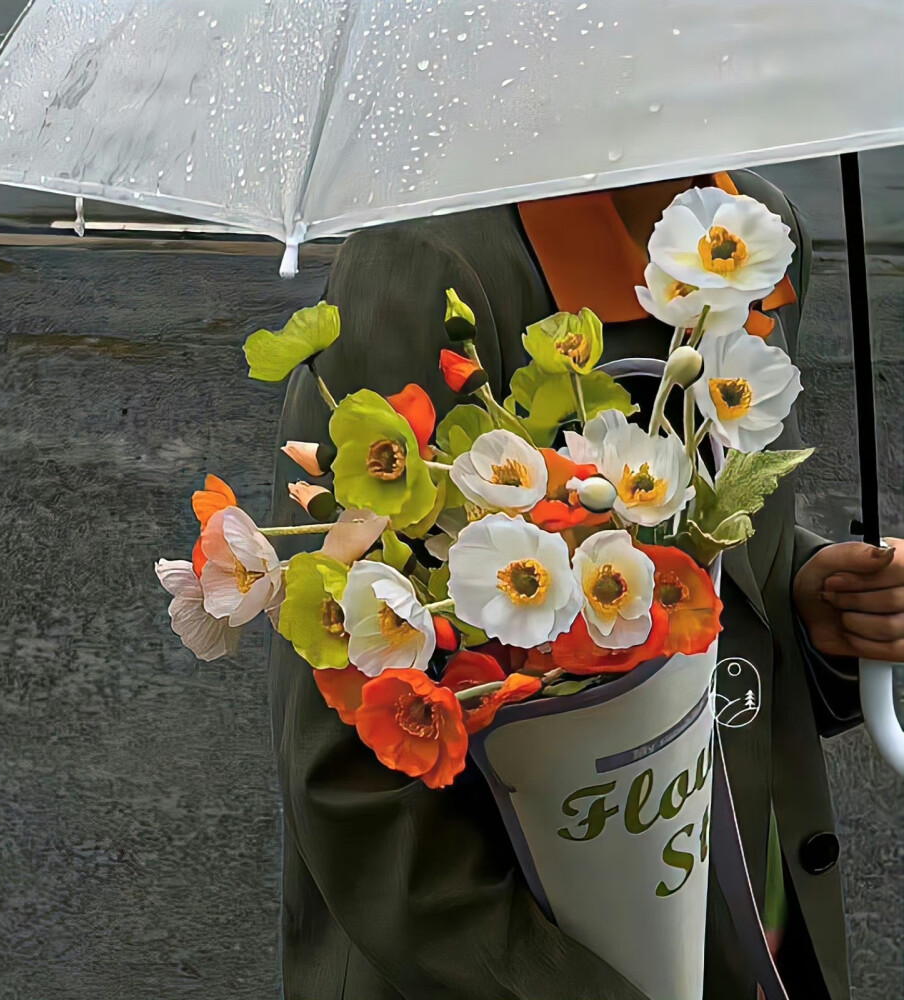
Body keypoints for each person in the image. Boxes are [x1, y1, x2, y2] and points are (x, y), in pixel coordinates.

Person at [266, 169, 904, 1000]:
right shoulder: (429, 264)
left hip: (740, 920)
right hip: (505, 960)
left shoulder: (751, 225)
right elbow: (347, 752)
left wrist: (802, 607)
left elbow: (704, 542)